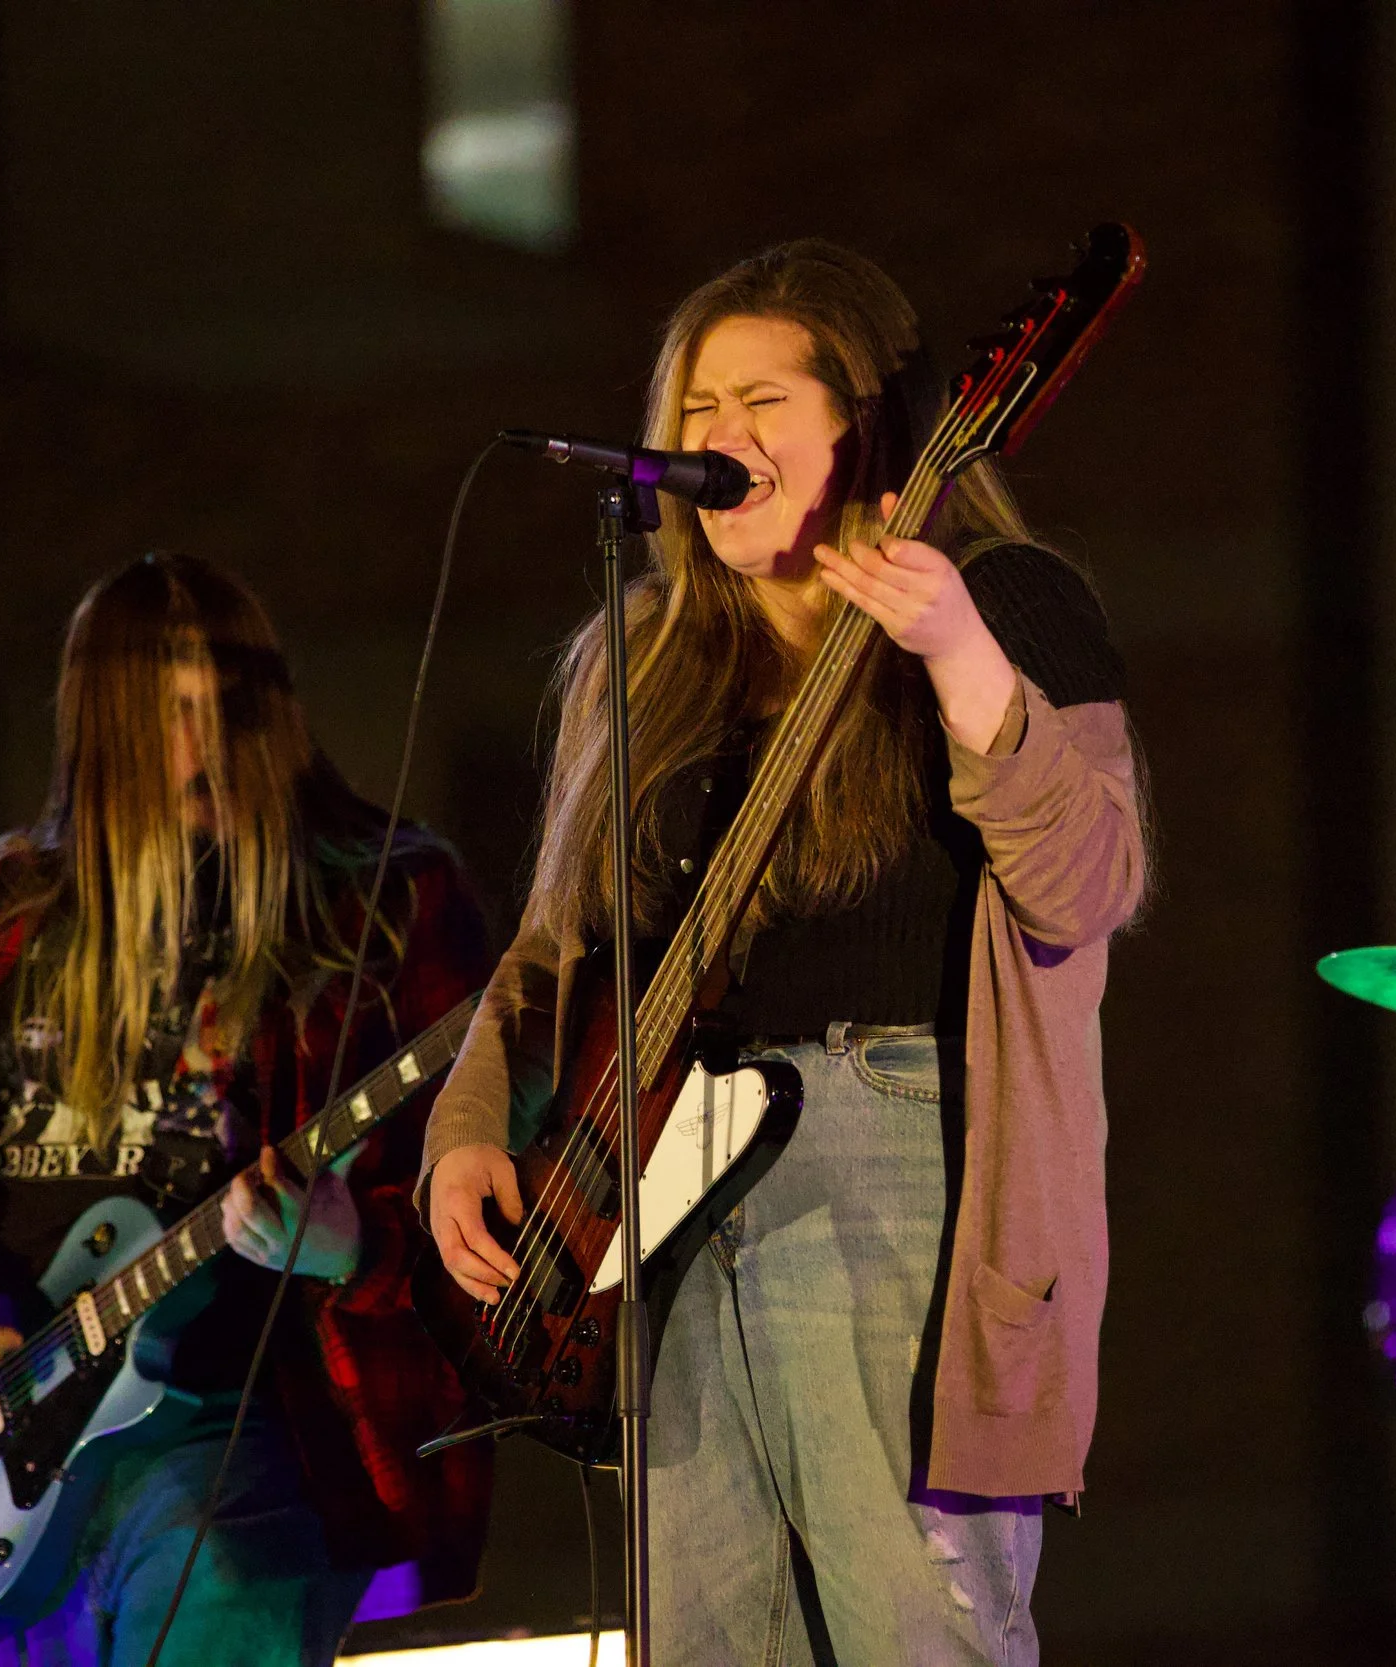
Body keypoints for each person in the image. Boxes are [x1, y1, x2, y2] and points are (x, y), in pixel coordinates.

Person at [423, 240, 1148, 1664]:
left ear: (863, 425)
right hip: (669, 1184)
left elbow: (1086, 883)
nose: (719, 434)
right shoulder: (644, 654)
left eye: (763, 400)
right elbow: (563, 945)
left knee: (913, 1629)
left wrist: (958, 653)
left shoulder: (998, 598)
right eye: (696, 408)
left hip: (894, 1151)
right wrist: (467, 1124)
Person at [0, 553, 494, 1666]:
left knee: (218, 1569)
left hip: (242, 1436)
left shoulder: (384, 902)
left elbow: (495, 1196)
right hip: (1, 1463)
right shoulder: (3, 911)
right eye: (167, 711)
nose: (203, 740)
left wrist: (352, 1245)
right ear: (103, 727)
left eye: (227, 704)